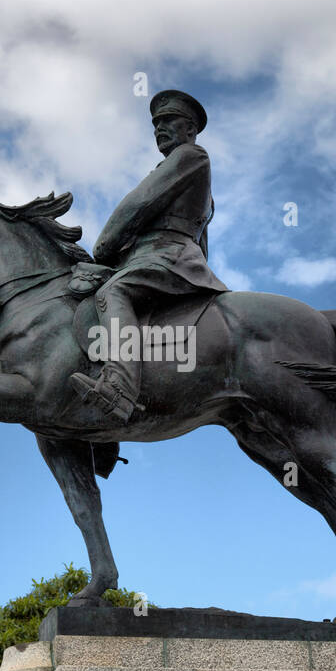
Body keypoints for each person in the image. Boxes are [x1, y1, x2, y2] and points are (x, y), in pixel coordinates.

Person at [69, 89, 228, 424]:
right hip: (159, 259)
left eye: (169, 121)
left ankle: (118, 390)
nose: (160, 128)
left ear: (190, 130)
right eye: (156, 123)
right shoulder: (186, 167)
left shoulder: (190, 156)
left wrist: (103, 248)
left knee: (113, 292)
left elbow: (136, 206)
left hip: (167, 258)